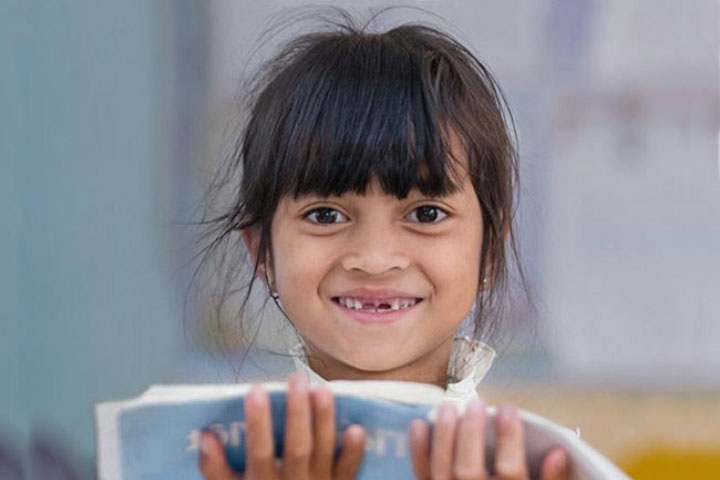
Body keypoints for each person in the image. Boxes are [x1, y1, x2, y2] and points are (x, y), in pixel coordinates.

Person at [195, 8, 569, 480]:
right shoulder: (212, 464)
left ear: (490, 250)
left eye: (426, 214)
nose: (373, 260)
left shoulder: (547, 470)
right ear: (262, 253)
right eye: (325, 215)